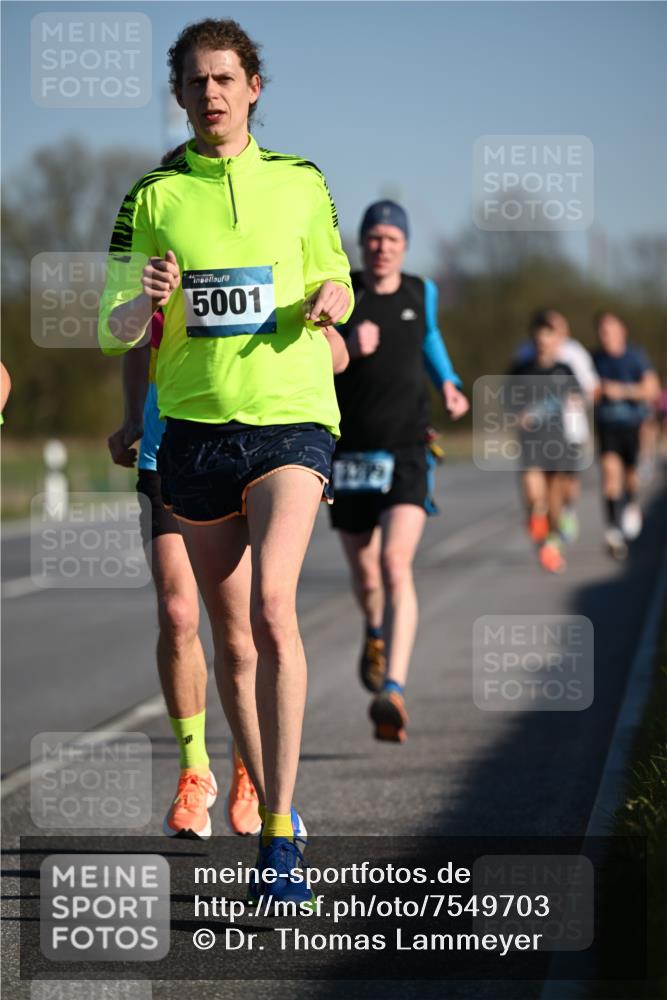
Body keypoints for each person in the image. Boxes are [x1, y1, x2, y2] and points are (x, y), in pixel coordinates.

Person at [99, 18, 352, 908]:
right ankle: (234, 778)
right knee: (230, 640)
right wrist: (142, 301)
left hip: (290, 420)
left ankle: (279, 830)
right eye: (195, 81)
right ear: (179, 95)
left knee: (274, 608)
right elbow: (110, 325)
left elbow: (336, 274)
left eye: (225, 79)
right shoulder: (152, 196)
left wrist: (331, 292)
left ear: (253, 88)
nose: (211, 94)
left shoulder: (300, 180)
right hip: (196, 435)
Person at [330, 200, 469, 743]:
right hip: (351, 454)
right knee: (366, 576)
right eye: (373, 237)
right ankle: (374, 630)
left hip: (408, 449)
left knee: (394, 563)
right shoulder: (344, 293)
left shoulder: (420, 291)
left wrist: (450, 382)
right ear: (361, 244)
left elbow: (429, 337)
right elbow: (316, 349)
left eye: (391, 237)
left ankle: (394, 689)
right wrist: (347, 344)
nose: (382, 245)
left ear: (404, 244)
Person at [509, 311, 585, 574]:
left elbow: (579, 397)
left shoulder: (564, 370)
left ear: (556, 340)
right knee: (533, 496)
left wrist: (577, 401)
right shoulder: (521, 370)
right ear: (533, 340)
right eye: (539, 339)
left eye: (548, 338)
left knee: (554, 503)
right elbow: (507, 401)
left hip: (558, 443)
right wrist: (519, 415)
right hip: (531, 443)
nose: (544, 343)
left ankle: (551, 544)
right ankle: (541, 536)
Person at [592, 311, 660, 559]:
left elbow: (652, 389)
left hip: (633, 426)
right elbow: (584, 387)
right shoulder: (594, 359)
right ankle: (612, 530)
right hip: (607, 428)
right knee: (610, 475)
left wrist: (622, 391)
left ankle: (630, 504)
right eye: (602, 331)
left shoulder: (635, 357)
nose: (606, 335)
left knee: (631, 478)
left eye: (610, 329)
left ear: (623, 331)